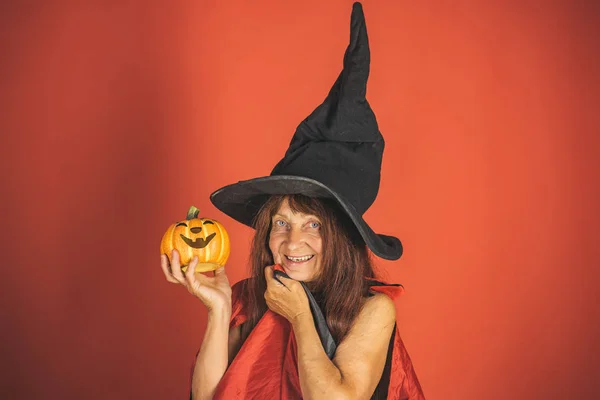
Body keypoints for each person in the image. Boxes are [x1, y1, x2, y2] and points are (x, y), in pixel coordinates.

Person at [161, 3, 425, 399]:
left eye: (313, 225)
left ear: (342, 236)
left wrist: (301, 315)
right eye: (281, 223)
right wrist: (217, 309)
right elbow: (207, 397)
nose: (291, 241)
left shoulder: (373, 309)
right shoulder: (250, 297)